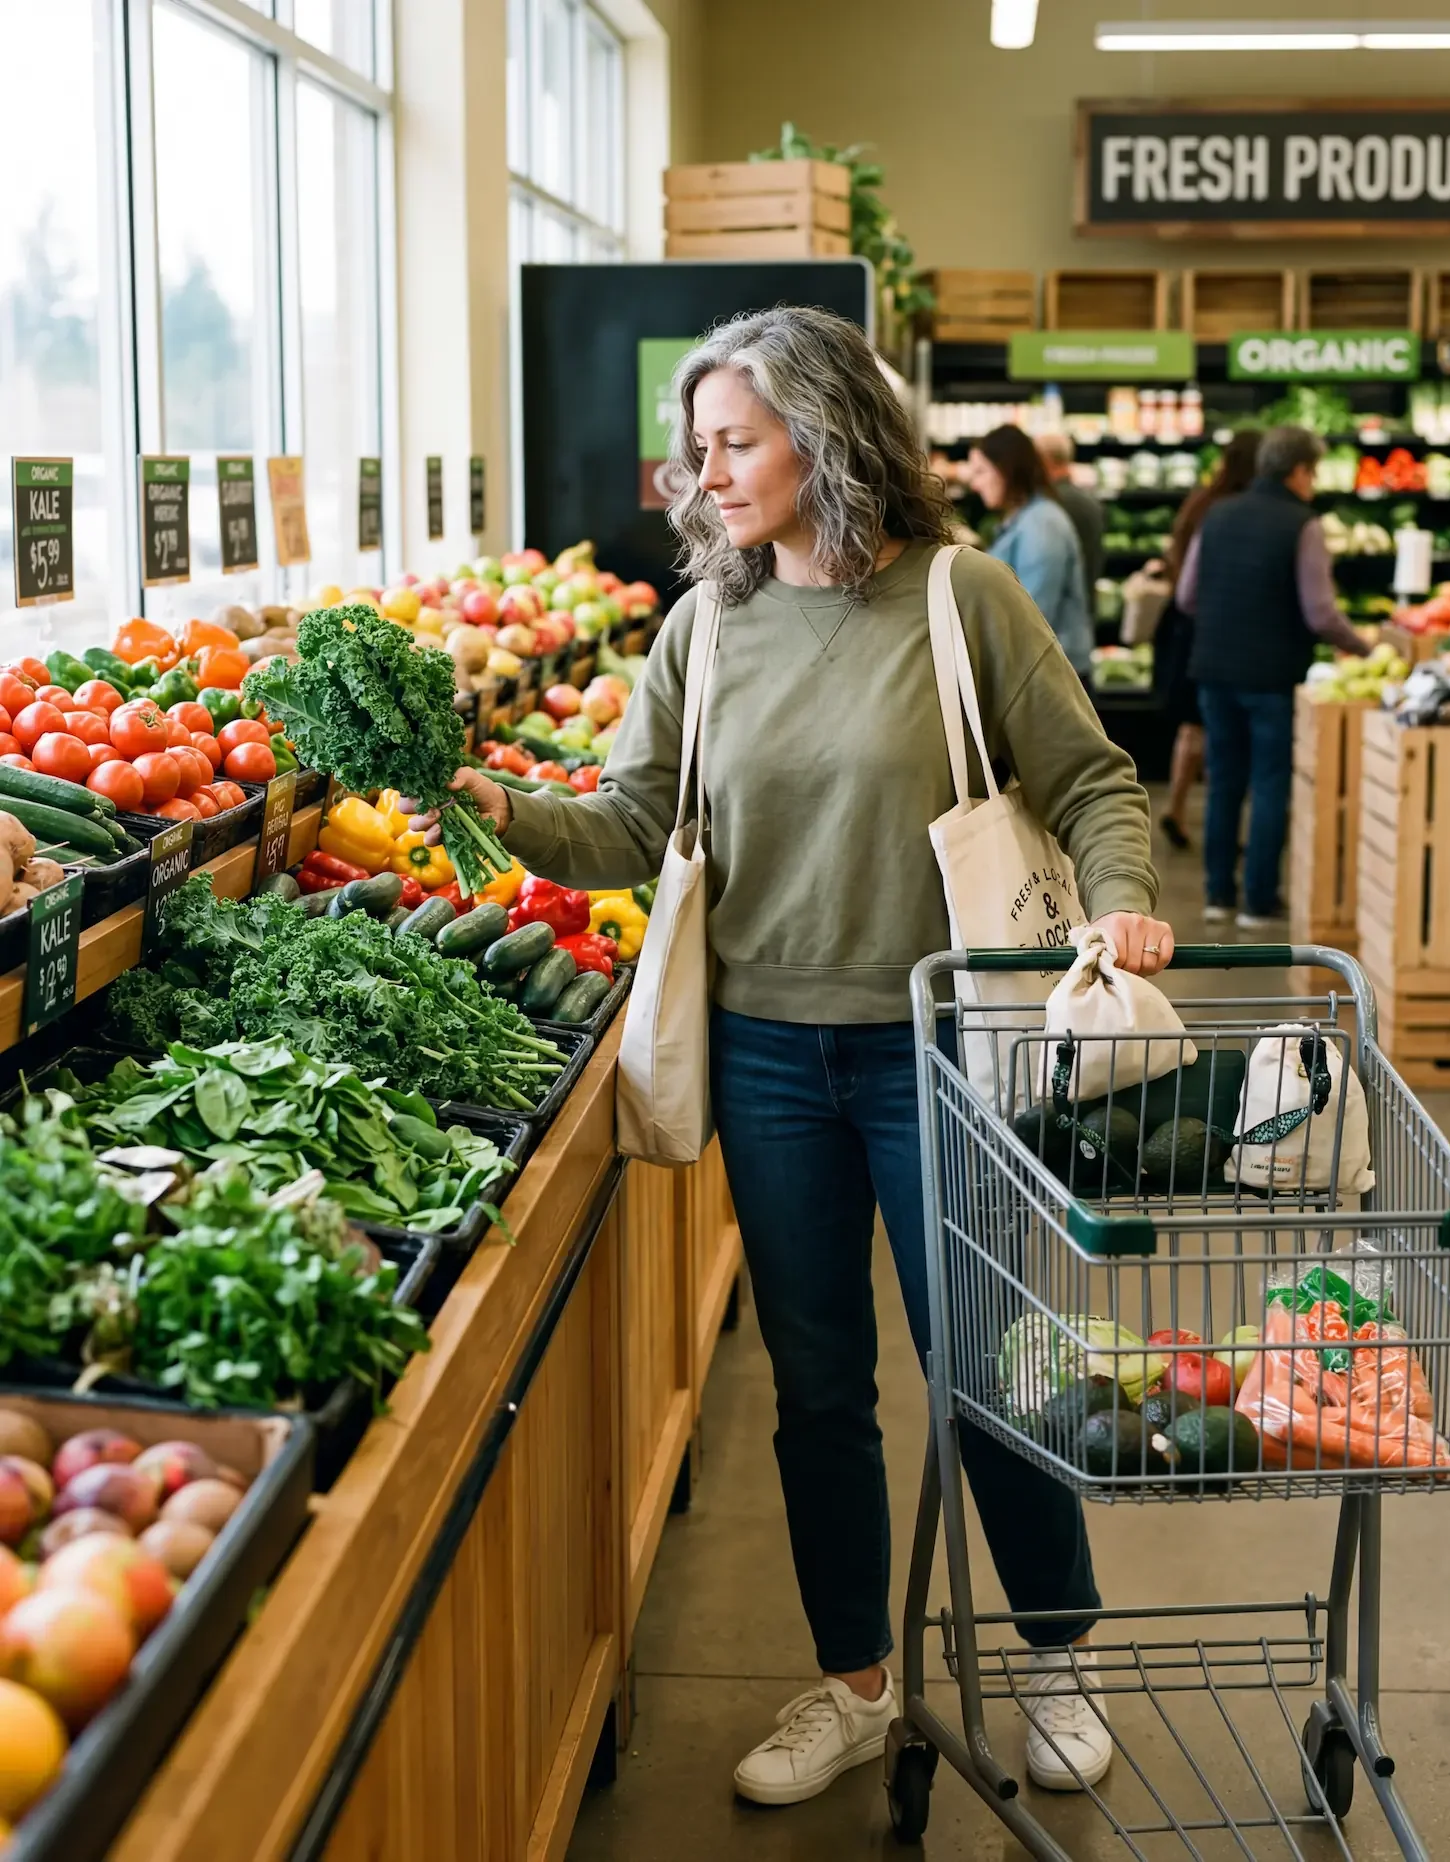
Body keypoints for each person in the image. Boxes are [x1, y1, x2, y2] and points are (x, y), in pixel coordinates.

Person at [409, 307, 1171, 1811]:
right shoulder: (707, 625)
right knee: (819, 1387)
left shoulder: (961, 602)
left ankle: (1059, 1659)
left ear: (824, 435)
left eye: (733, 442)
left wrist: (1130, 907)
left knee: (991, 1368)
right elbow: (630, 825)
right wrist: (477, 792)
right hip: (766, 1058)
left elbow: (1091, 781)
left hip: (948, 1054)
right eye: (700, 449)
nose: (707, 474)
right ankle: (854, 1687)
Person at [1178, 424, 1370, 928]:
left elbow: (1186, 596)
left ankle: (1218, 895)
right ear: (1300, 470)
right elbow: (1321, 613)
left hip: (1214, 669)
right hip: (1272, 675)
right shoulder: (1302, 524)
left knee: (1223, 783)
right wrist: (1364, 647)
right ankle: (1258, 901)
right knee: (1268, 784)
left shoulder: (1215, 515)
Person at [1153, 429, 1262, 851]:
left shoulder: (1200, 502)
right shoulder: (1232, 511)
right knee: (1219, 728)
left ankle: (1177, 806)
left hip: (1181, 626)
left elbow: (1176, 562)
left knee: (1192, 726)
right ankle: (1224, 825)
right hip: (1215, 630)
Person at [966, 425, 1094, 678]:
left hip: (1052, 678)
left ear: (1006, 470)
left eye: (981, 471)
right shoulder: (1022, 520)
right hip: (1037, 671)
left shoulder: (1041, 524)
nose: (975, 484)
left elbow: (1034, 613)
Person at [1036, 430, 1105, 614]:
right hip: (1084, 608)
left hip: (1056, 616)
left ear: (1044, 461)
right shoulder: (1090, 502)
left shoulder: (1046, 506)